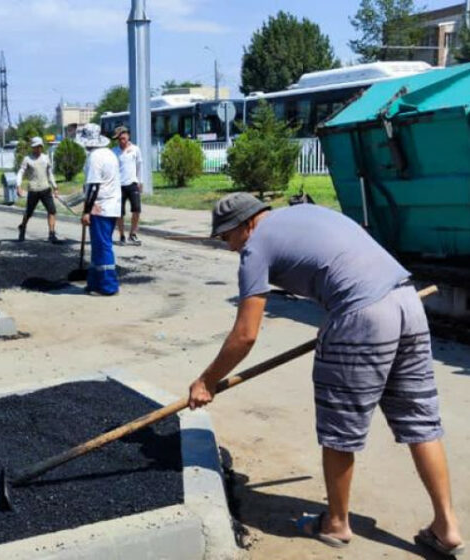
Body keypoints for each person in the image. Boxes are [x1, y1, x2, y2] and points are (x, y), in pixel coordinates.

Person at [187, 193, 464, 556]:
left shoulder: (257, 246)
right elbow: (337, 266)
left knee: (339, 427)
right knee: (419, 419)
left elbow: (246, 334)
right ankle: (447, 527)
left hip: (362, 316)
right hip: (405, 302)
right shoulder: (306, 212)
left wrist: (206, 381)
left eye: (227, 237)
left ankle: (336, 523)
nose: (229, 247)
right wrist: (337, 320)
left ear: (247, 224)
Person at [77, 125, 121, 296]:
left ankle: (108, 286)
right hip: (110, 205)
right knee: (98, 246)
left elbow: (94, 186)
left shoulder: (95, 157)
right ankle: (94, 282)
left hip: (101, 207)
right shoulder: (109, 154)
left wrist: (87, 211)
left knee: (102, 246)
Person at [16, 136, 59, 243]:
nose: (38, 148)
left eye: (39, 146)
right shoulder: (28, 159)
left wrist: (55, 187)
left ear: (42, 147)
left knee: (52, 211)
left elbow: (50, 173)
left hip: (45, 189)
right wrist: (18, 185)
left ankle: (52, 234)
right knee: (29, 213)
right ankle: (23, 228)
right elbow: (21, 172)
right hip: (33, 190)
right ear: (33, 147)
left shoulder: (45, 158)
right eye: (35, 147)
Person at [111, 126, 144, 246]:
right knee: (119, 213)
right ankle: (122, 235)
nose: (121, 141)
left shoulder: (135, 149)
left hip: (132, 183)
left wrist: (140, 182)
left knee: (136, 209)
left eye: (123, 138)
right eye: (119, 139)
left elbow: (139, 166)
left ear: (128, 136)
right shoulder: (114, 152)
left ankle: (133, 234)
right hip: (118, 186)